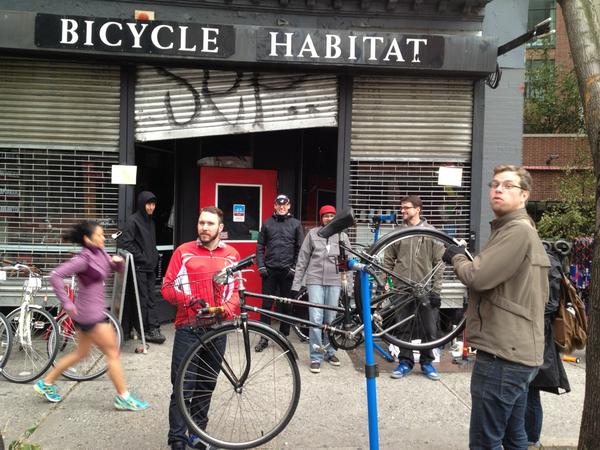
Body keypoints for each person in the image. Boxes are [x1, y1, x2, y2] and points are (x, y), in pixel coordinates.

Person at [442, 165, 550, 449]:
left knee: (484, 442)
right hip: (517, 353)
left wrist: (455, 258)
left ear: (524, 195)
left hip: (503, 356)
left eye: (507, 185)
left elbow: (477, 276)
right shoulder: (518, 229)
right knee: (514, 439)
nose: (498, 189)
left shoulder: (516, 231)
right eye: (494, 184)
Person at [35, 220, 149, 411]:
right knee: (113, 353)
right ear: (88, 239)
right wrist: (67, 303)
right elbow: (55, 275)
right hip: (90, 316)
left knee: (81, 353)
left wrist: (118, 264)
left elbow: (113, 269)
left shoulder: (100, 253)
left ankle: (46, 383)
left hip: (87, 313)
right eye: (99, 235)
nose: (103, 238)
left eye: (103, 235)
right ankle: (123, 397)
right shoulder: (83, 259)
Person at [161, 206, 240, 450]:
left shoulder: (232, 255)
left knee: (206, 384)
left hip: (218, 329)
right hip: (189, 327)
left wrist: (227, 308)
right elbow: (166, 287)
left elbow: (235, 292)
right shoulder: (184, 252)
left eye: (209, 223)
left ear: (220, 228)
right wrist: (189, 301)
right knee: (183, 385)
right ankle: (177, 437)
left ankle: (198, 434)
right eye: (201, 223)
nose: (204, 227)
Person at [383, 195, 444, 381]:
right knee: (403, 327)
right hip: (401, 288)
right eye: (401, 208)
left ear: (418, 209)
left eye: (406, 208)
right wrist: (384, 282)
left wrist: (436, 291)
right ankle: (404, 362)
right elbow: (387, 260)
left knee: (429, 328)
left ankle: (427, 363)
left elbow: (439, 263)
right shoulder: (398, 232)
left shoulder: (431, 233)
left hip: (424, 288)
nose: (402, 211)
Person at [291, 205, 350, 374]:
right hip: (315, 280)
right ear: (321, 218)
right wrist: (296, 285)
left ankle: (330, 352)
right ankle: (316, 356)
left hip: (335, 281)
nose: (329, 218)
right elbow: (302, 260)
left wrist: (350, 289)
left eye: (332, 215)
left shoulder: (342, 236)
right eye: (325, 216)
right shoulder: (312, 234)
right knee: (315, 319)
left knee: (331, 319)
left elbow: (348, 262)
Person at [525, 248, 571, 448]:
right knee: (525, 390)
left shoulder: (547, 262)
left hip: (537, 335)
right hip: (532, 333)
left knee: (531, 389)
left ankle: (532, 439)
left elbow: (550, 305)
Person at [254, 194, 304, 352]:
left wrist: (294, 268)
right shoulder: (267, 223)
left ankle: (284, 337)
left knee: (285, 305)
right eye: (279, 204)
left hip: (287, 272)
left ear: (289, 206)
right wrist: (261, 267)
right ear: (275, 206)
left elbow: (300, 248)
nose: (282, 207)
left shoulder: (296, 224)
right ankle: (264, 338)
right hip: (269, 271)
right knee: (266, 305)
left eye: (285, 205)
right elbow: (260, 246)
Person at [119, 190, 166, 344]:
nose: (151, 207)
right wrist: (143, 257)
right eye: (148, 204)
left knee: (151, 298)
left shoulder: (150, 222)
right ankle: (146, 330)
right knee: (143, 300)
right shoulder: (133, 221)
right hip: (139, 267)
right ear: (142, 204)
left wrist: (154, 255)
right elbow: (126, 242)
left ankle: (153, 327)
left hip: (149, 267)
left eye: (153, 204)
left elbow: (149, 243)